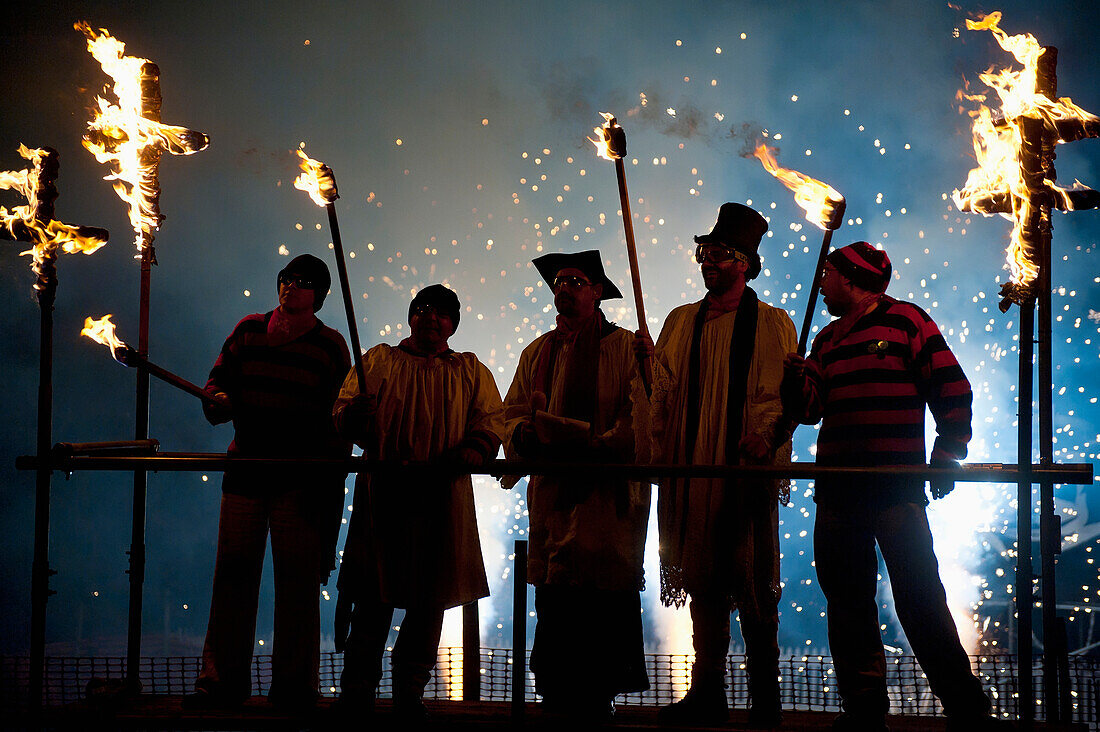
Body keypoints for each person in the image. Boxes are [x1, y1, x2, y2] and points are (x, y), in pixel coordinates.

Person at [781, 242, 1005, 732]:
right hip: (838, 492)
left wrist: (946, 454)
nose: (821, 282)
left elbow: (952, 387)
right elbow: (809, 411)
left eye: (829, 273)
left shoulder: (906, 320)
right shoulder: (824, 341)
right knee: (846, 603)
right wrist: (796, 381)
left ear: (853, 277)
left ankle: (966, 707)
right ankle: (864, 710)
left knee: (919, 597)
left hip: (895, 491)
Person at [635, 203, 795, 728]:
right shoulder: (681, 321)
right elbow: (662, 391)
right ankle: (708, 692)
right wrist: (646, 364)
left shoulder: (771, 323)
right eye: (706, 252)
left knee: (751, 581)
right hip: (694, 468)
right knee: (703, 581)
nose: (710, 262)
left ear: (746, 263)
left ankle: (765, 699)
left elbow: (778, 394)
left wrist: (766, 435)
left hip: (745, 470)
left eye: (722, 255)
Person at [186, 254, 351, 712]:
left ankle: (295, 688)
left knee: (297, 586)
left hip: (299, 482)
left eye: (301, 282)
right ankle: (220, 683)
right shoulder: (249, 331)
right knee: (233, 579)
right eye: (285, 279)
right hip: (245, 476)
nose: (290, 287)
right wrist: (216, 397)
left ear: (318, 294)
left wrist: (331, 473)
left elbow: (340, 418)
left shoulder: (330, 347)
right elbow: (217, 384)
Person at [332, 284, 504, 720]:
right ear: (411, 316)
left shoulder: (470, 370)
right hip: (383, 496)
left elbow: (491, 418)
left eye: (441, 313)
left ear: (452, 324)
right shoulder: (378, 361)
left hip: (441, 499)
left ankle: (409, 691)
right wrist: (357, 415)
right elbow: (344, 414)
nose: (431, 318)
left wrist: (475, 446)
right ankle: (357, 694)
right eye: (423, 309)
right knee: (373, 600)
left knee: (428, 606)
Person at [502, 250, 651, 720]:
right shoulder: (538, 352)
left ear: (597, 292)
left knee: (602, 593)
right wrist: (522, 433)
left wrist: (601, 445)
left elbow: (642, 417)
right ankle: (556, 692)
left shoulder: (628, 348)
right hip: (554, 492)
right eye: (559, 281)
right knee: (557, 593)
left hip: (606, 494)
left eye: (576, 280)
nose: (564, 288)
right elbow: (510, 414)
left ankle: (598, 695)